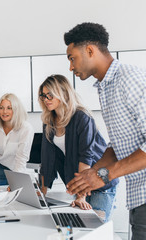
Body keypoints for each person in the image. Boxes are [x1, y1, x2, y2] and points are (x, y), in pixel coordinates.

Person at [64, 22, 146, 239]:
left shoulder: (130, 79)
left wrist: (104, 175)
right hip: (139, 197)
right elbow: (118, 145)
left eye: (72, 58)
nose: (71, 67)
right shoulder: (106, 87)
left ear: (90, 50)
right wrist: (91, 175)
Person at [38, 74, 118, 222]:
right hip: (81, 183)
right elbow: (47, 158)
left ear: (63, 93)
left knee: (94, 227)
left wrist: (81, 196)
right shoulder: (49, 122)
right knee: (78, 227)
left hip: (102, 181)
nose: (46, 100)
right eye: (43, 96)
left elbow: (85, 157)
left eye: (50, 95)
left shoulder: (82, 117)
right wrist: (42, 192)